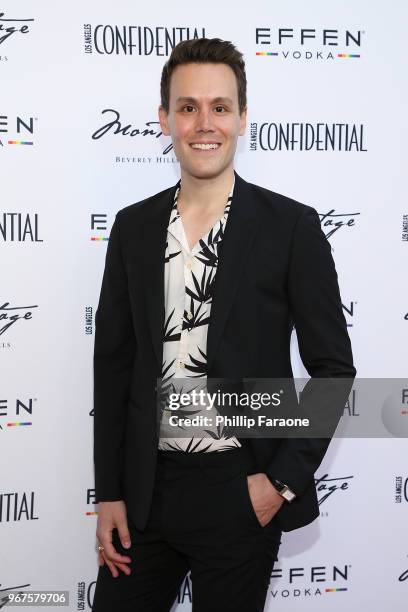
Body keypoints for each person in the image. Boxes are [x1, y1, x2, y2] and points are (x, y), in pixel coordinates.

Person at [91, 37, 356, 612]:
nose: (203, 123)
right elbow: (113, 368)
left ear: (242, 118)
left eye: (219, 107)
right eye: (187, 107)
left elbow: (334, 369)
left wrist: (278, 484)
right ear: (164, 120)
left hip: (240, 489)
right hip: (144, 493)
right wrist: (109, 492)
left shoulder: (290, 227)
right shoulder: (133, 229)